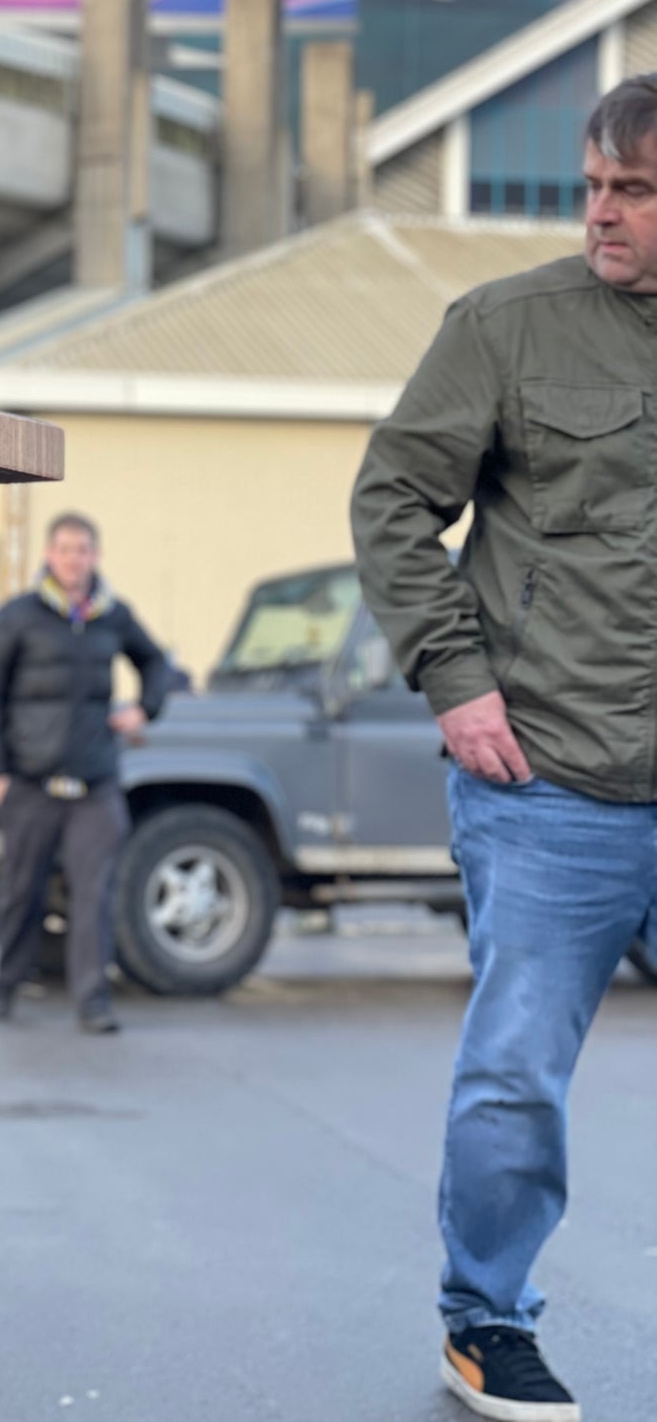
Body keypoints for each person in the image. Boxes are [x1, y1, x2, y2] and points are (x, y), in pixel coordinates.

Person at [351, 74, 657, 1422]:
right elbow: (389, 500)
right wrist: (453, 678)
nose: (602, 211)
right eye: (593, 184)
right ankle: (485, 1318)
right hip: (553, 787)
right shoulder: (505, 328)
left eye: (633, 191)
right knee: (517, 1073)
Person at [0, 513, 172, 1035]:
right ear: (48, 554)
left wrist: (145, 708)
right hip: (30, 782)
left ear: (95, 556)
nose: (72, 558)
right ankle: (6, 984)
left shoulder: (113, 615)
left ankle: (93, 1000)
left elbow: (156, 663)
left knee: (96, 892)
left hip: (95, 783)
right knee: (21, 891)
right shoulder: (19, 616)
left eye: (82, 549)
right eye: (63, 549)